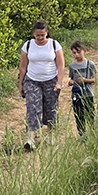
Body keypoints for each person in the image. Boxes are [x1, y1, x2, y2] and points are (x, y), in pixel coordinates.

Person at [18, 20, 65, 151]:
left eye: (42, 35)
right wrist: (20, 84)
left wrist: (59, 82)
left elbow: (60, 65)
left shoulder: (54, 45)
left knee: (50, 108)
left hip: (51, 80)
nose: (39, 38)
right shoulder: (27, 45)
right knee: (32, 107)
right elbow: (22, 67)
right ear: (33, 33)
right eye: (37, 35)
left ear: (47, 33)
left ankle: (51, 135)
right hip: (32, 80)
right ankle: (30, 139)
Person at [67, 40, 97, 136]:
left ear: (84, 51)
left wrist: (85, 80)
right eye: (74, 53)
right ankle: (82, 135)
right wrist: (71, 82)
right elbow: (71, 79)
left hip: (88, 94)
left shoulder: (90, 64)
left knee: (90, 115)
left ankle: (92, 133)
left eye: (78, 52)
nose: (76, 55)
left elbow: (94, 80)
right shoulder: (72, 66)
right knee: (79, 116)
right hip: (76, 94)